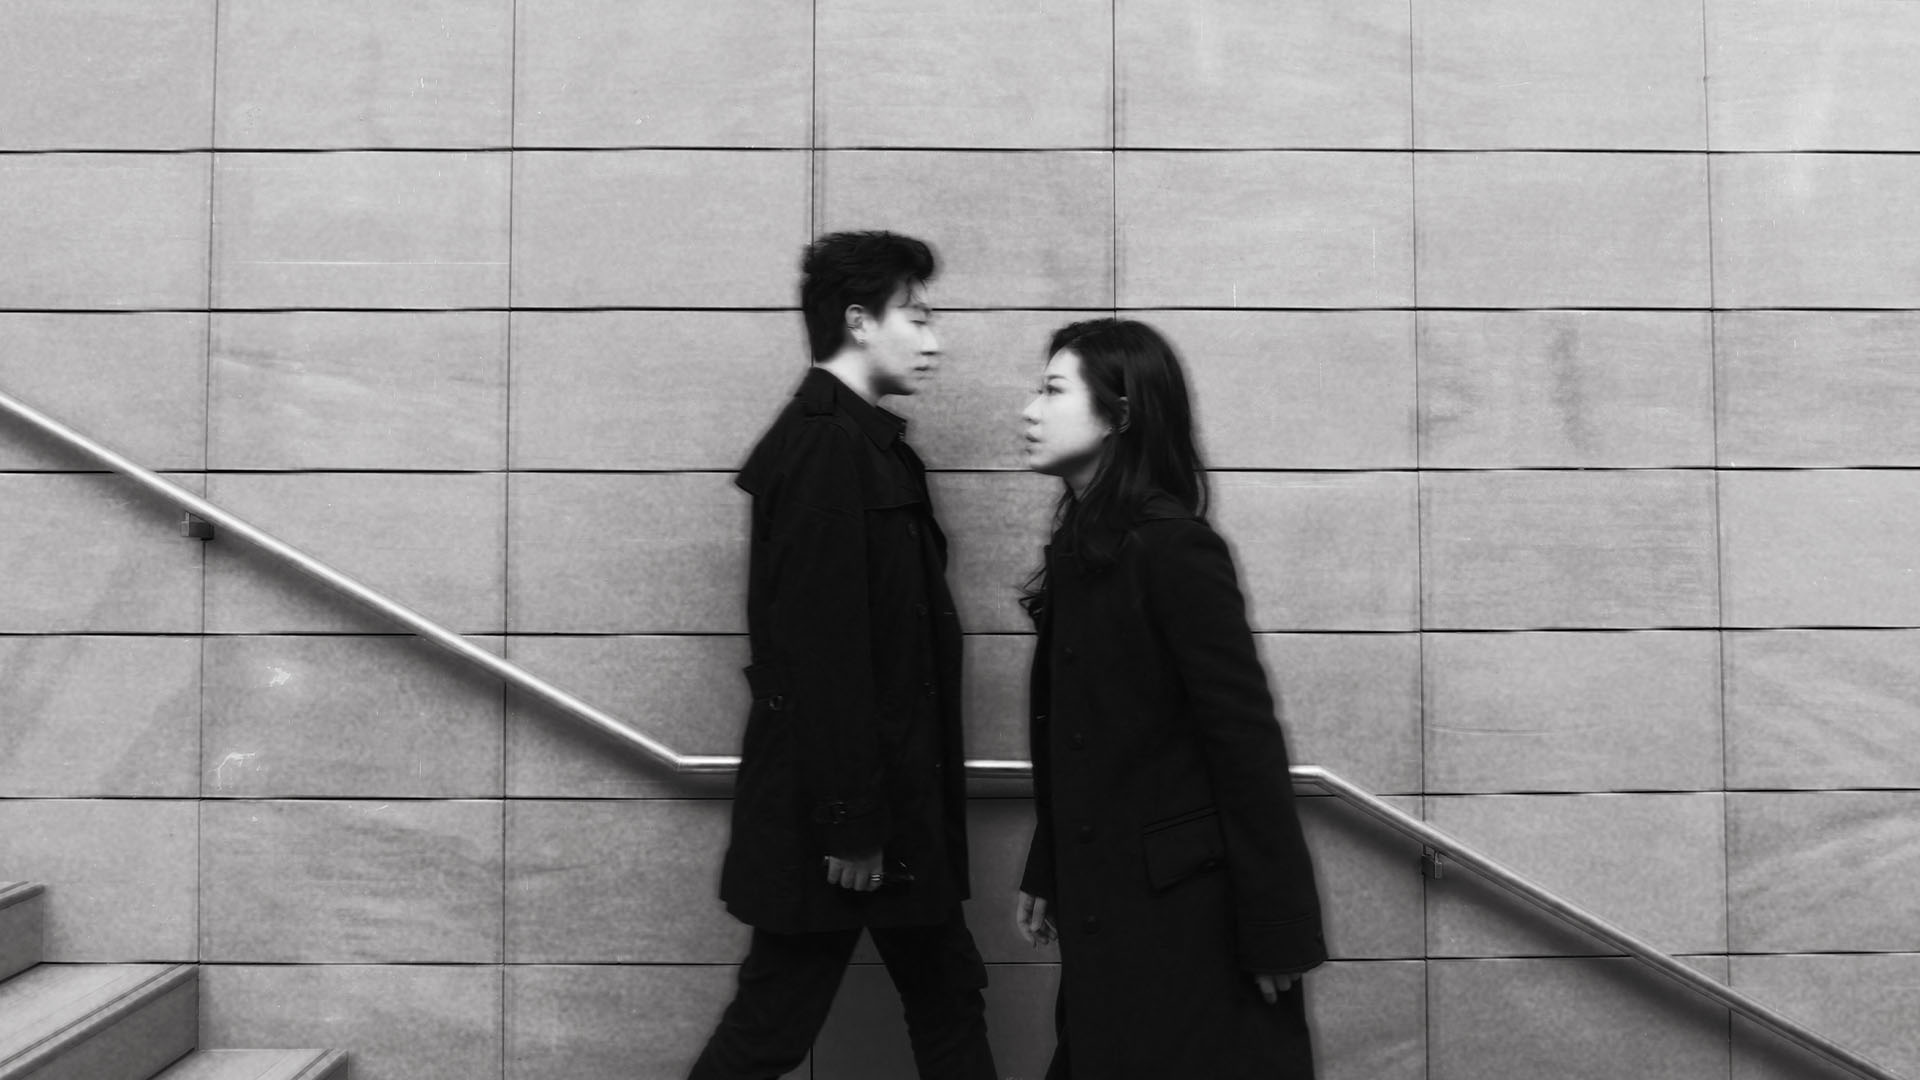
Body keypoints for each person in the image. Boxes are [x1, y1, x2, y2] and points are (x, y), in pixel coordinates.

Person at [688, 231, 997, 1080]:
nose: (934, 340)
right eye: (917, 317)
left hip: (884, 804)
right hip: (849, 817)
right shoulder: (829, 448)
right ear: (859, 321)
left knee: (946, 1001)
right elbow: (822, 652)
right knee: (775, 1026)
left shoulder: (860, 444)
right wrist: (852, 823)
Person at [1013, 318, 1327, 1079]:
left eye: (1052, 391)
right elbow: (1085, 742)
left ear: (1119, 414)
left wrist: (1277, 928)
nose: (1029, 410)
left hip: (1185, 920)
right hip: (1113, 906)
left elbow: (1245, 741)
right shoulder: (1085, 546)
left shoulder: (1173, 547)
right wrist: (1049, 862)